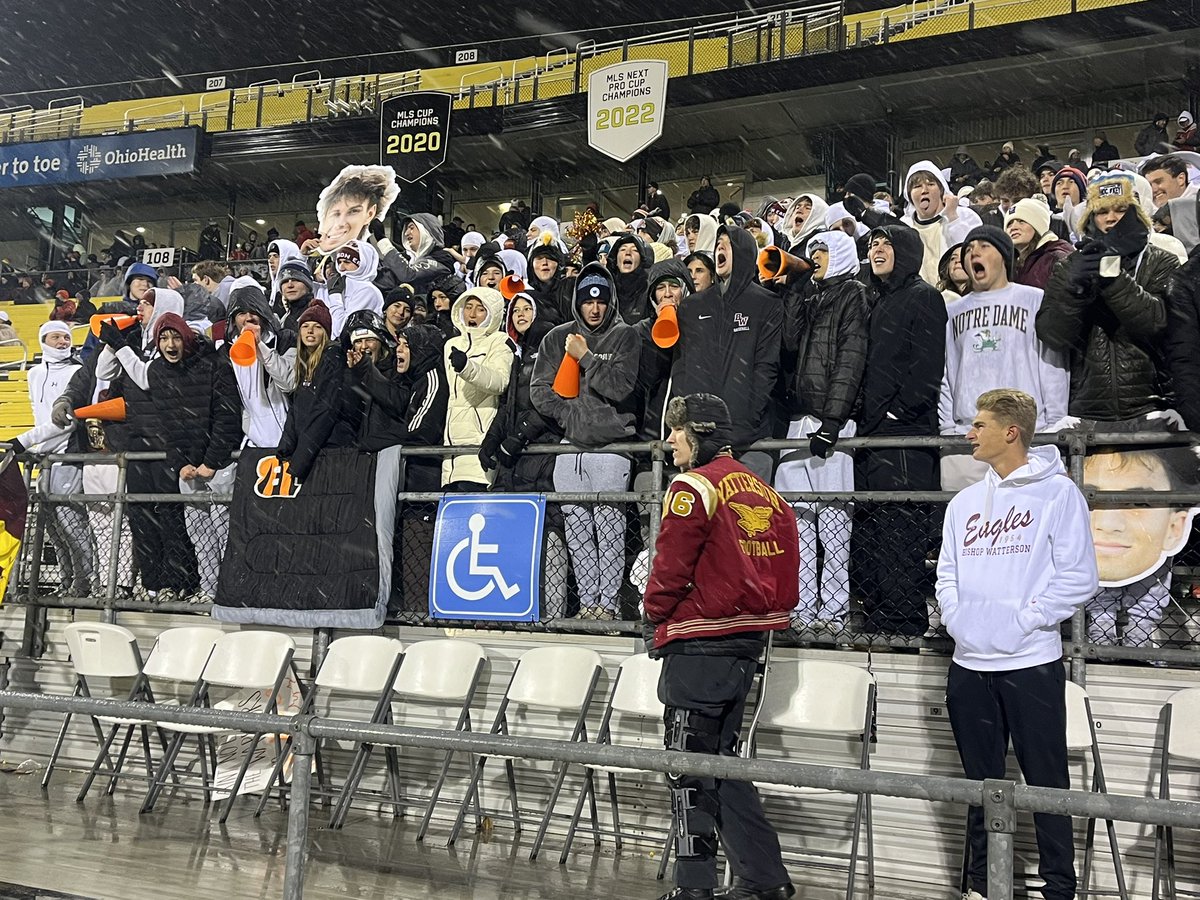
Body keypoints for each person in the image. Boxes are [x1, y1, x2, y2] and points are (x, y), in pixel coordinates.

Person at [936, 388, 1098, 900]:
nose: (970, 433)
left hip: (1031, 663)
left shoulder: (1058, 494)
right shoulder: (964, 502)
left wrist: (1024, 621)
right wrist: (959, 620)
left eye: (980, 424)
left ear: (1011, 431)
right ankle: (981, 886)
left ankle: (1058, 890)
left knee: (1048, 783)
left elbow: (1080, 578)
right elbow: (946, 574)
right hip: (968, 664)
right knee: (979, 787)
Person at [643, 392, 796, 900]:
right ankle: (763, 878)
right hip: (747, 646)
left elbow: (668, 569)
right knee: (724, 766)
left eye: (677, 431)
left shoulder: (692, 486)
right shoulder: (766, 492)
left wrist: (654, 614)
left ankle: (694, 889)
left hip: (698, 646)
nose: (669, 441)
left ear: (698, 434)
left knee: (688, 770)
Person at [530, 262, 639, 620]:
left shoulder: (626, 336)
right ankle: (589, 603)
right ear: (577, 302)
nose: (595, 308)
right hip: (569, 448)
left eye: (602, 302)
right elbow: (539, 390)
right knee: (577, 533)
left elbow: (620, 388)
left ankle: (607, 606)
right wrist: (569, 416)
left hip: (612, 448)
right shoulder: (556, 337)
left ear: (610, 303)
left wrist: (586, 357)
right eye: (588, 301)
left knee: (609, 532)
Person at [856, 225, 947, 637]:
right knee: (875, 533)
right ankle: (880, 621)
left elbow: (927, 366)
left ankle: (902, 625)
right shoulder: (878, 300)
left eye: (886, 243)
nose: (877, 249)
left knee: (900, 534)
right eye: (873, 243)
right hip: (875, 436)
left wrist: (898, 414)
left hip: (905, 437)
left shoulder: (924, 297)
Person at [775, 230, 868, 631]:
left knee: (832, 525)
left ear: (843, 254)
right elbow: (790, 340)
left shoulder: (854, 294)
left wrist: (833, 421)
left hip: (834, 423)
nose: (814, 257)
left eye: (823, 251)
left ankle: (832, 611)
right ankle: (800, 606)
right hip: (799, 420)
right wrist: (795, 288)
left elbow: (850, 359)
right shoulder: (811, 295)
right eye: (811, 251)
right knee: (797, 524)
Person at [1037, 170, 1179, 423]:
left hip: (1153, 408)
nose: (1111, 219)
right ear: (1091, 218)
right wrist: (1074, 291)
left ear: (1136, 213)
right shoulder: (1068, 267)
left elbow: (1158, 325)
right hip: (1086, 411)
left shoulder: (1161, 261)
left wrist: (1111, 276)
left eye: (1121, 210)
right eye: (1102, 212)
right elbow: (1052, 336)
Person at [939, 226, 1069, 490]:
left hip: (1025, 436)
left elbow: (1052, 364)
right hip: (968, 437)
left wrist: (1053, 425)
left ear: (1003, 256)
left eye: (983, 246)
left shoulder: (1035, 300)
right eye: (968, 249)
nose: (973, 252)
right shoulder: (953, 311)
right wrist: (948, 429)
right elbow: (945, 372)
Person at [672, 225, 782, 482]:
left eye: (728, 244)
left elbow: (766, 368)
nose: (720, 247)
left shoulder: (766, 303)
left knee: (747, 517)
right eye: (718, 243)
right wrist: (689, 420)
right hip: (699, 439)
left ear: (743, 252)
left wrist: (746, 423)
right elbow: (681, 366)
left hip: (746, 440)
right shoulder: (692, 306)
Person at [1082, 438, 1197, 647]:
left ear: (1175, 525)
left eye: (1139, 502)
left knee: (1153, 562)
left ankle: (1140, 631)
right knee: (1096, 557)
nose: (1110, 523)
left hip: (1155, 432)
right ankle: (1101, 625)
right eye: (1093, 499)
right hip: (1101, 430)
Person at [8, 321, 95, 596]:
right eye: (56, 337)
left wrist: (26, 441)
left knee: (71, 522)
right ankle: (67, 582)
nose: (62, 342)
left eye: (66, 337)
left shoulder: (77, 371)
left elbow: (67, 422)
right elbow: (39, 415)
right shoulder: (34, 373)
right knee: (54, 527)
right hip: (45, 457)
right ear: (43, 339)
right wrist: (36, 448)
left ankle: (84, 583)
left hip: (67, 455)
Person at [442, 287, 513, 490]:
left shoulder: (499, 341)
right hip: (450, 451)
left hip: (480, 444)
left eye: (480, 309)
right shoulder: (451, 344)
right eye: (468, 307)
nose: (472, 314)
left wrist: (467, 367)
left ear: (493, 313)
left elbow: (500, 382)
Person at [277, 301, 354, 482]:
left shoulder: (332, 358)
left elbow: (324, 410)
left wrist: (301, 459)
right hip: (312, 452)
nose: (310, 331)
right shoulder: (305, 363)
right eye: (305, 326)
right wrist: (286, 447)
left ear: (326, 333)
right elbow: (297, 409)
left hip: (330, 452)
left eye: (317, 327)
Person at [902, 161, 983, 286]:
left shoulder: (965, 216)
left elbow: (972, 256)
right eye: (917, 186)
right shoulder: (903, 227)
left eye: (930, 184)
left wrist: (953, 218)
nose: (924, 190)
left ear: (941, 190)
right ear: (909, 195)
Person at [1006, 198, 1074, 290]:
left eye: (1021, 221)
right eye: (1009, 224)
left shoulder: (1057, 258)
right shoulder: (1009, 263)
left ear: (1038, 225)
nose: (1013, 227)